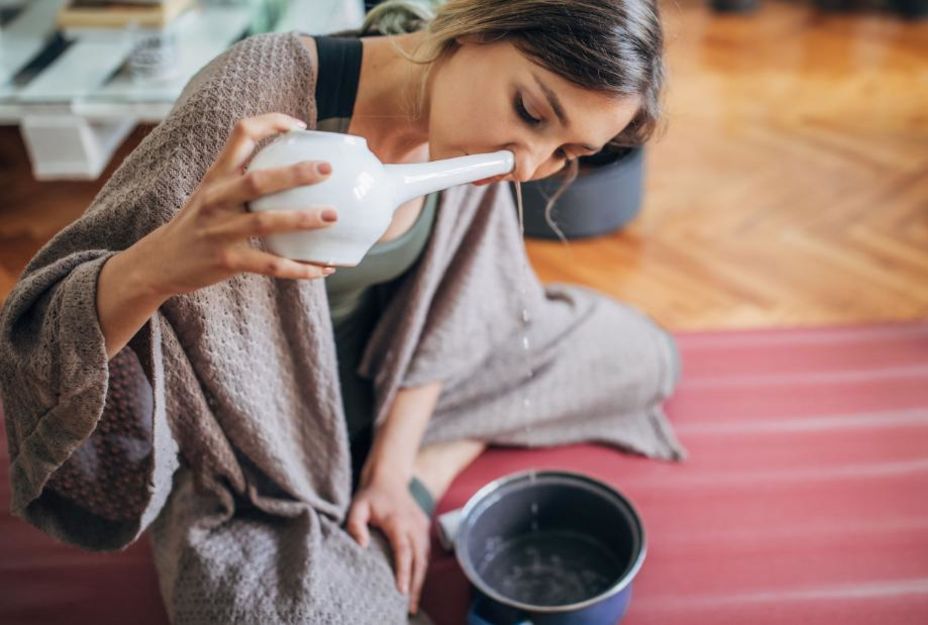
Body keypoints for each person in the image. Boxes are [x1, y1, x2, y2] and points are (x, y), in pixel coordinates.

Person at [0, 1, 686, 623]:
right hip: (258, 438)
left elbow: (456, 309)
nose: (526, 163)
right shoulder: (259, 97)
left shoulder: (482, 143)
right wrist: (162, 263)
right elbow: (41, 333)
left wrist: (393, 471)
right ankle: (360, 518)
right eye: (534, 114)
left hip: (388, 383)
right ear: (476, 21)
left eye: (567, 152)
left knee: (643, 355)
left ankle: (424, 468)